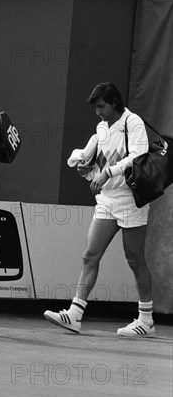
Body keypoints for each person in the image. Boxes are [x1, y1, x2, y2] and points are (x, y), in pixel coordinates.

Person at [44, 82, 155, 338]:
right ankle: (75, 314)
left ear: (114, 103)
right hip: (107, 200)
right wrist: (89, 171)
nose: (98, 112)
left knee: (134, 259)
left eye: (101, 107)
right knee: (89, 255)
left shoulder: (133, 122)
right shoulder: (101, 129)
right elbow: (98, 165)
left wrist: (107, 172)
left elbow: (138, 156)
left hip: (131, 199)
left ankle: (146, 319)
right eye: (96, 108)